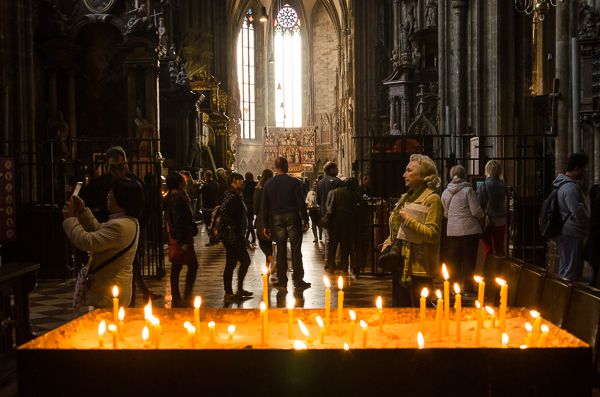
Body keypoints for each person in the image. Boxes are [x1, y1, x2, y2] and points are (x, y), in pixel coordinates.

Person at [79, 146, 160, 305]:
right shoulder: (101, 183)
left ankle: (128, 304)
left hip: (126, 232)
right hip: (107, 231)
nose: (117, 171)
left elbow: (147, 208)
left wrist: (135, 225)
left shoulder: (134, 183)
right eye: (113, 167)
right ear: (107, 167)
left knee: (127, 268)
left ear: (127, 164)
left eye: (121, 166)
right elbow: (85, 202)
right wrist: (102, 221)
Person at [63, 177, 144, 308]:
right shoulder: (128, 221)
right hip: (111, 289)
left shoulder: (120, 226)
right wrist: (83, 212)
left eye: (110, 194)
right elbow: (99, 232)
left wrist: (70, 220)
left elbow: (88, 242)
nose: (107, 197)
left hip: (109, 293)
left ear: (121, 199)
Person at [383, 154, 443, 307]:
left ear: (422, 175)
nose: (404, 175)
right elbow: (399, 231)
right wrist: (388, 241)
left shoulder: (432, 199)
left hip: (419, 269)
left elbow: (433, 235)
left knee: (419, 316)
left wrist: (408, 221)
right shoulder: (406, 198)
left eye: (409, 171)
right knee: (399, 315)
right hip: (400, 266)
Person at [263, 157, 311, 290]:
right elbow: (300, 202)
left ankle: (282, 280)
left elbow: (265, 207)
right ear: (286, 165)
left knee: (281, 250)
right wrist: (306, 220)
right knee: (296, 249)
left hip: (277, 218)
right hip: (293, 217)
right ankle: (298, 280)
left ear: (275, 166)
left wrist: (266, 225)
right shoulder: (294, 182)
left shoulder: (268, 184)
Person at [441, 165, 483, 294]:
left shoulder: (445, 192)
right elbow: (476, 211)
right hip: (469, 230)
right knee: (469, 260)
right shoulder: (468, 191)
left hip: (453, 230)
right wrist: (482, 215)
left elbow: (446, 214)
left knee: (454, 260)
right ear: (464, 175)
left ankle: (455, 287)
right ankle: (468, 288)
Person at [163, 172, 199, 307]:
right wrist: (182, 241)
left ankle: (178, 296)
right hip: (181, 236)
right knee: (189, 265)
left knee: (177, 266)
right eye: (182, 180)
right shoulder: (176, 197)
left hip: (181, 235)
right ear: (179, 183)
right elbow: (177, 220)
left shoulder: (176, 195)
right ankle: (182, 296)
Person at [551, 153, 589, 281]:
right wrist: (588, 220)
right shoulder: (570, 188)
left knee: (566, 269)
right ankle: (568, 299)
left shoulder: (564, 184)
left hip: (568, 233)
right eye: (584, 168)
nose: (585, 171)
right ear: (577, 168)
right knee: (571, 272)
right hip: (571, 234)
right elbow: (577, 211)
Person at [220, 173, 253, 300]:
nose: (242, 181)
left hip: (237, 235)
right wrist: (231, 226)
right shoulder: (231, 196)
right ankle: (228, 292)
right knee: (231, 264)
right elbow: (224, 211)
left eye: (242, 179)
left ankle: (239, 289)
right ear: (232, 182)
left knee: (245, 261)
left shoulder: (235, 195)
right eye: (238, 180)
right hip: (231, 236)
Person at [326, 177, 359, 274]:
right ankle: (344, 266)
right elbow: (363, 203)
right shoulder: (353, 194)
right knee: (345, 244)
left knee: (333, 243)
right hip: (347, 220)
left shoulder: (335, 191)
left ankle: (331, 265)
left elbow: (328, 206)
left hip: (334, 219)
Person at [476, 160, 508, 261]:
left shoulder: (484, 185)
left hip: (488, 220)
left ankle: (488, 273)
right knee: (500, 249)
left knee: (488, 249)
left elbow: (479, 203)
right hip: (500, 220)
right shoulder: (503, 185)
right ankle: (500, 273)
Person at [316, 161, 344, 269]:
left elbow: (318, 200)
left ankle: (327, 261)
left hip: (325, 214)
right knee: (338, 239)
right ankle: (337, 262)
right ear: (331, 169)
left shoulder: (320, 183)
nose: (337, 170)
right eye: (336, 168)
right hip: (337, 214)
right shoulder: (337, 181)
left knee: (327, 239)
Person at [254, 169, 276, 273]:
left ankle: (271, 260)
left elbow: (256, 205)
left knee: (263, 241)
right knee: (269, 242)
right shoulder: (275, 187)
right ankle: (268, 266)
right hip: (275, 217)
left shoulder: (259, 188)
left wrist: (256, 213)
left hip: (263, 217)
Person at [198, 170, 219, 246]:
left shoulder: (206, 186)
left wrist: (195, 185)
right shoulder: (216, 184)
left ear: (205, 176)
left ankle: (212, 239)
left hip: (207, 207)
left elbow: (198, 191)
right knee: (214, 224)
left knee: (208, 225)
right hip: (215, 206)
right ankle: (216, 238)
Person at [588, 183, 600, 287]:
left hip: (595, 235)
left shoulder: (595, 189)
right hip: (597, 236)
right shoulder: (596, 190)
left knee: (596, 275)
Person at [243, 172, 258, 247]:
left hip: (246, 203)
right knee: (250, 220)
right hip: (252, 204)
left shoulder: (244, 184)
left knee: (248, 221)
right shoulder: (255, 184)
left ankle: (251, 237)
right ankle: (251, 237)